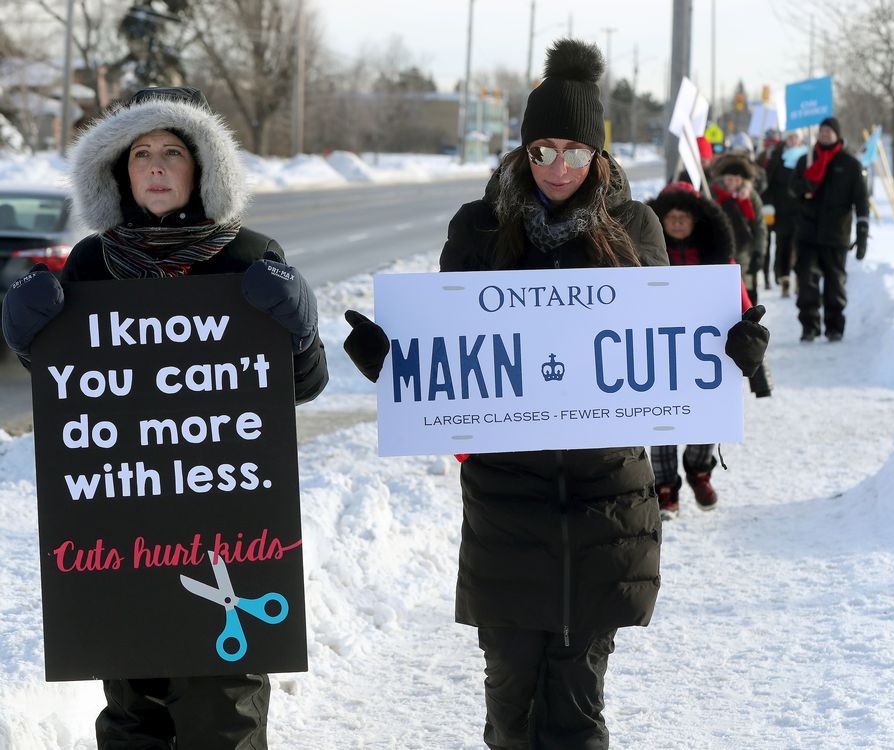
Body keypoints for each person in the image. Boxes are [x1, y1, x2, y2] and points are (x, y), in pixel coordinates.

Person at [342, 39, 769, 749]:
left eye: (573, 150)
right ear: (522, 154)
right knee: (510, 705)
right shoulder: (477, 229)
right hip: (507, 501)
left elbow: (667, 352)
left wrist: (730, 353)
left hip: (607, 499)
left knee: (577, 708)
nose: (558, 167)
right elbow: (447, 359)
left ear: (599, 155)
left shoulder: (634, 228)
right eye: (542, 151)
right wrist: (389, 363)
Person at [1, 85, 328, 749]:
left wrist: (300, 334)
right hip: (124, 536)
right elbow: (82, 395)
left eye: (172, 151)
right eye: (140, 152)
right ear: (118, 171)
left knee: (223, 720)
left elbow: (301, 387)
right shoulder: (93, 264)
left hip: (228, 535)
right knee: (132, 721)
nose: (154, 165)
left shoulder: (247, 257)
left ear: (202, 165)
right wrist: (29, 343)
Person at [645, 182, 762, 518]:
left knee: (706, 415)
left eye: (685, 217)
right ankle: (665, 486)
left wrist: (749, 326)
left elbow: (736, 294)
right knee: (662, 420)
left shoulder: (716, 257)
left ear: (697, 220)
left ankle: (699, 469)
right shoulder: (646, 256)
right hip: (662, 350)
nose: (678, 223)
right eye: (672, 217)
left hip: (706, 351)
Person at [790, 116, 869, 342]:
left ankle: (835, 327)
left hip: (836, 235)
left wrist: (862, 234)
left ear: (837, 135)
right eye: (822, 131)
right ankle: (809, 326)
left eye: (829, 131)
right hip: (807, 234)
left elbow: (861, 201)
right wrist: (804, 186)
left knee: (835, 285)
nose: (825, 134)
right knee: (806, 281)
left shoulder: (850, 165)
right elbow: (792, 191)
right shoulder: (806, 161)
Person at [710, 152, 767, 305]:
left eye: (736, 179)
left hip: (744, 251)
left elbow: (759, 226)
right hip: (718, 251)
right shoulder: (712, 195)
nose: (732, 183)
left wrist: (759, 251)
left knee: (746, 292)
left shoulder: (750, 197)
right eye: (729, 179)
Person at [761, 130, 803, 298]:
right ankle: (784, 280)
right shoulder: (777, 157)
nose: (792, 141)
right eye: (790, 138)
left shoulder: (806, 157)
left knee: (800, 247)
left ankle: (800, 279)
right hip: (781, 210)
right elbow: (768, 184)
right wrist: (769, 206)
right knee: (783, 246)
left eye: (795, 138)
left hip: (801, 211)